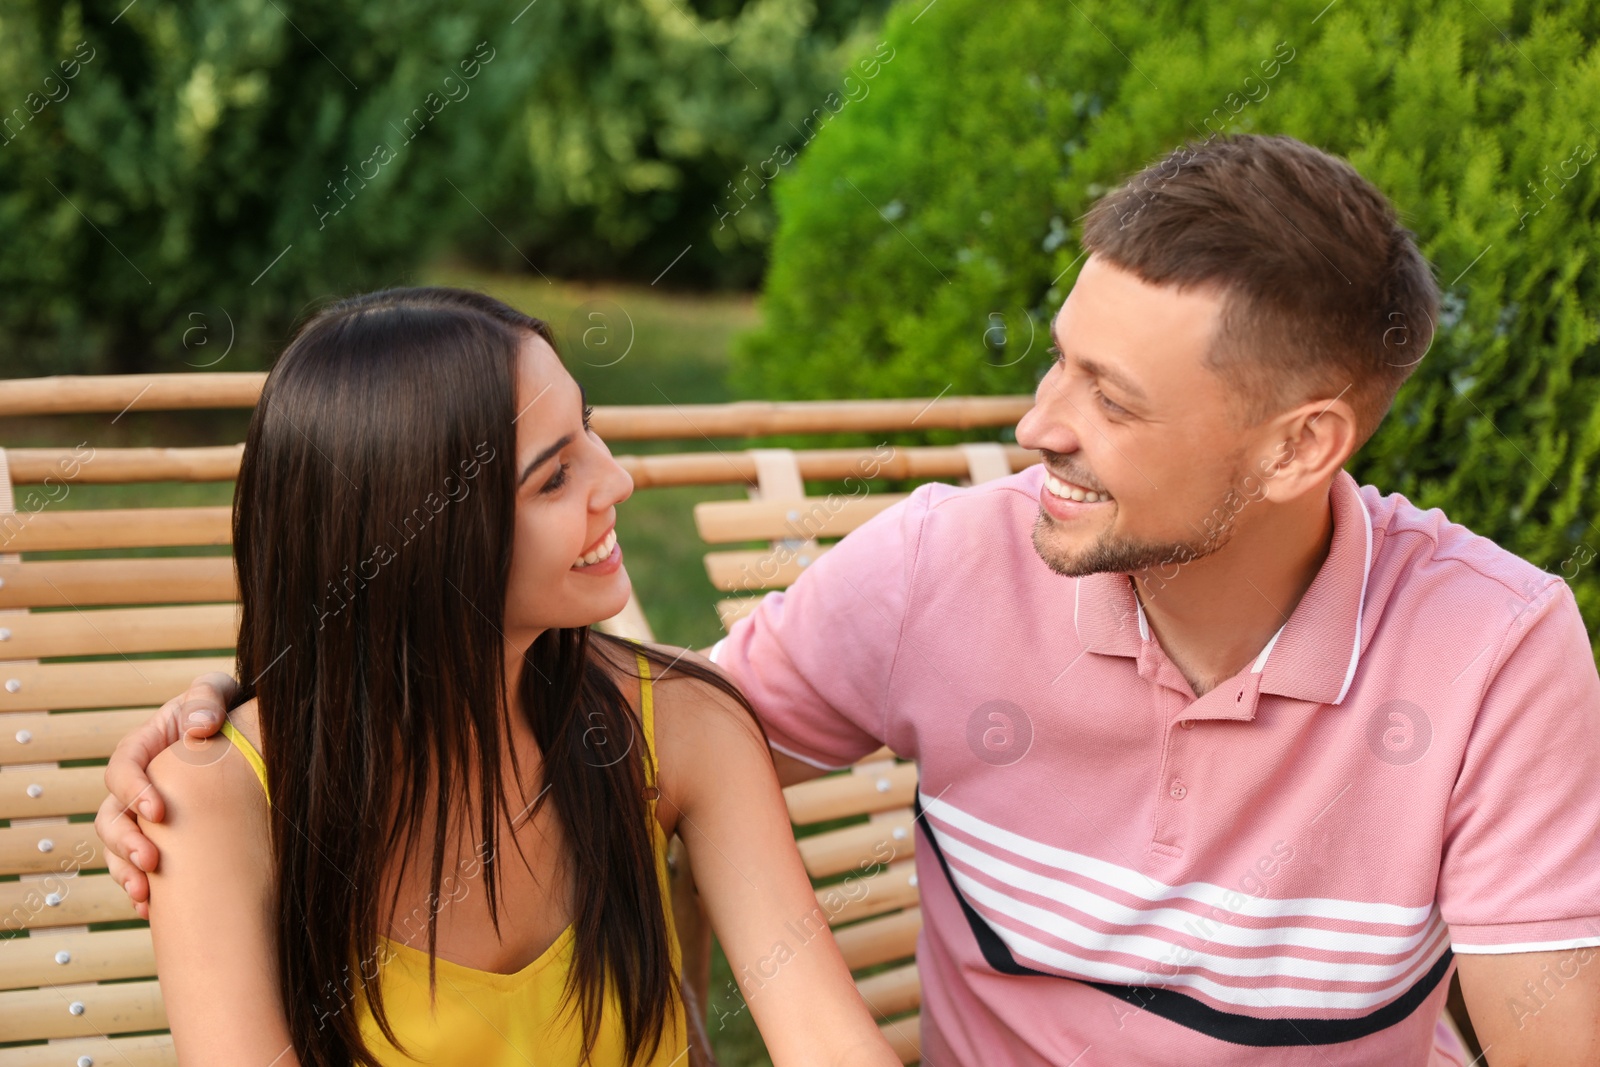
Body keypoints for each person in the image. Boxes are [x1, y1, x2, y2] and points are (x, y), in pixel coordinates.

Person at [101, 135, 1600, 1065]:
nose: (1035, 425)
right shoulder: (938, 571)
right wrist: (256, 698)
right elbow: (598, 714)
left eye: (1109, 397)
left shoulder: (1495, 647)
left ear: (1300, 447)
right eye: (1056, 358)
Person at [102, 287, 899, 1067]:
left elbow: (829, 1041)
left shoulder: (684, 723)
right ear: (417, 544)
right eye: (553, 478)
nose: (615, 481)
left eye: (587, 428)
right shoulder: (211, 799)